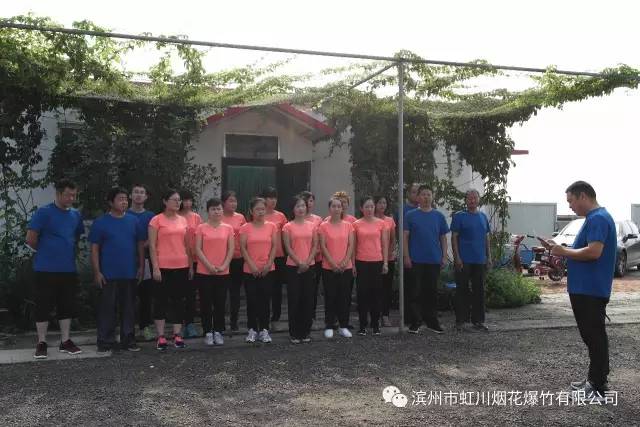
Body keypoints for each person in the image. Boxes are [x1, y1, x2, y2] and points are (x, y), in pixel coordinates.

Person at [538, 181, 616, 402]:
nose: (570, 206)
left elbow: (594, 252)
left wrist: (564, 251)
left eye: (571, 201)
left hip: (590, 289)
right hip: (586, 288)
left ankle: (598, 388)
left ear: (583, 196)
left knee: (594, 336)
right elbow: (586, 250)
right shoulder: (594, 218)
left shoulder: (598, 218)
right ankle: (594, 380)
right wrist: (558, 248)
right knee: (592, 336)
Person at [27, 179, 85, 359]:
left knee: (66, 305)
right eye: (68, 195)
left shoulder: (75, 215)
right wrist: (46, 251)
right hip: (45, 268)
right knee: (43, 305)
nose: (71, 198)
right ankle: (41, 342)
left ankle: (65, 341)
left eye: (74, 195)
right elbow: (31, 238)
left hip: (67, 268)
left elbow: (76, 236)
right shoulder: (44, 212)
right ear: (58, 194)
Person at [89, 187, 145, 352]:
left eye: (126, 199)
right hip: (108, 274)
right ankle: (105, 341)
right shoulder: (101, 222)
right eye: (120, 199)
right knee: (107, 308)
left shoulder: (134, 221)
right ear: (110, 202)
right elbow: (94, 249)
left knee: (129, 308)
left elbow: (140, 245)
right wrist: (97, 272)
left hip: (129, 272)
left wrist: (141, 267)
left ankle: (128, 340)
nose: (124, 202)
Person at [148, 189, 192, 350]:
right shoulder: (156, 220)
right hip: (162, 267)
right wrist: (155, 267)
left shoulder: (183, 220)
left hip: (181, 265)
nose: (177, 203)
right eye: (174, 200)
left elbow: (187, 245)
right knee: (160, 301)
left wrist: (190, 266)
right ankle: (160, 336)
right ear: (165, 201)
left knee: (178, 301)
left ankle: (177, 334)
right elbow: (152, 246)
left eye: (179, 200)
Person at [403, 185, 449, 334]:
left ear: (432, 196)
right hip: (415, 259)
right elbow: (405, 237)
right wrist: (406, 256)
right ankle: (416, 321)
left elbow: (443, 237)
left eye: (429, 194)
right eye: (423, 194)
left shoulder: (439, 216)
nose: (426, 197)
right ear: (418, 197)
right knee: (415, 292)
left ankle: (432, 322)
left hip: (433, 259)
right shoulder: (410, 215)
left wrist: (444, 256)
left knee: (431, 292)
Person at [194, 198, 234, 346]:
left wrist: (224, 265)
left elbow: (231, 249)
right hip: (204, 271)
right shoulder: (201, 228)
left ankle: (218, 331)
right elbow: (198, 249)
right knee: (206, 302)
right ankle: (207, 332)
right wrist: (209, 266)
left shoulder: (228, 228)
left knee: (220, 302)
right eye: (213, 209)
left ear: (222, 210)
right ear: (208, 211)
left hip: (223, 271)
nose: (216, 212)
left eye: (218, 209)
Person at [451, 189, 491, 332]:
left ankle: (478, 321)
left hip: (479, 259)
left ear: (478, 199)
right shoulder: (459, 216)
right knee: (462, 290)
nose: (472, 200)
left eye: (475, 198)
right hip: (464, 260)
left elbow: (486, 238)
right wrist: (457, 257)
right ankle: (461, 321)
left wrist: (489, 256)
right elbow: (454, 237)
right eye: (469, 198)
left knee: (479, 290)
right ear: (466, 200)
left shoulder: (483, 217)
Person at [240, 197, 278, 343]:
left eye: (263, 209)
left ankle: (264, 329)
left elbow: (274, 246)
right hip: (250, 270)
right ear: (251, 211)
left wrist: (269, 263)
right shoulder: (246, 227)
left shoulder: (271, 226)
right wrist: (252, 265)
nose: (261, 212)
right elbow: (243, 248)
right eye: (258, 209)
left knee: (265, 300)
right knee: (252, 300)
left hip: (268, 269)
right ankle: (252, 329)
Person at [282, 196, 318, 343]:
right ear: (293, 209)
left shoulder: (312, 226)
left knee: (307, 299)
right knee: (294, 299)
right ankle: (294, 332)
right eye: (298, 206)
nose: (301, 209)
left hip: (309, 266)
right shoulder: (287, 227)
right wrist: (299, 263)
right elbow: (288, 248)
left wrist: (307, 262)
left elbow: (315, 246)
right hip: (293, 267)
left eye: (303, 206)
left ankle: (306, 331)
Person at [318, 197, 355, 339]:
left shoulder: (348, 225)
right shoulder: (323, 226)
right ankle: (329, 325)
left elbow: (350, 245)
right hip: (329, 267)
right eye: (333, 206)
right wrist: (333, 264)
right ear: (329, 208)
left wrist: (345, 262)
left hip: (346, 267)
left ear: (342, 208)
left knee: (344, 297)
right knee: (330, 296)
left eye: (339, 206)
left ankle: (343, 326)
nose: (337, 209)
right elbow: (323, 246)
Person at [353, 196, 389, 336]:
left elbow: (384, 244)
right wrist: (353, 264)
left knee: (376, 294)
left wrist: (385, 262)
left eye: (372, 206)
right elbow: (353, 246)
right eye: (367, 206)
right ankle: (362, 325)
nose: (369, 209)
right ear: (361, 208)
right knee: (362, 294)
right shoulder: (356, 224)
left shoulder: (381, 223)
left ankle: (375, 324)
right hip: (361, 262)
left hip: (377, 262)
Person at [128, 184, 156, 342]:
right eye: (136, 192)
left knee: (146, 296)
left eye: (142, 193)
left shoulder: (151, 216)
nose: (138, 195)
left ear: (146, 197)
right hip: (126, 261)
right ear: (130, 195)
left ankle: (145, 327)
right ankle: (128, 328)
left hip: (146, 260)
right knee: (128, 296)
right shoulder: (124, 214)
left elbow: (155, 237)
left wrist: (142, 245)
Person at [220, 190, 247, 332]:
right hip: (222, 259)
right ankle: (220, 322)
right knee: (222, 291)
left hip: (238, 258)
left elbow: (246, 235)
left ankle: (234, 321)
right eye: (230, 201)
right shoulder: (219, 217)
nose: (233, 204)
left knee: (235, 291)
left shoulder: (240, 217)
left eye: (235, 201)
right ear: (223, 203)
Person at [178, 190, 203, 339]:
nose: (187, 203)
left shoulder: (196, 217)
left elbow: (200, 237)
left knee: (191, 294)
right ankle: (178, 324)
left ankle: (190, 323)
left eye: (189, 200)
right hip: (178, 259)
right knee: (178, 293)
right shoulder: (175, 217)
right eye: (184, 200)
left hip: (194, 260)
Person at [262, 187, 288, 325]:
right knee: (265, 287)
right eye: (270, 198)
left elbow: (286, 236)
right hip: (264, 257)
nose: (273, 201)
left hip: (279, 256)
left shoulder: (281, 216)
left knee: (277, 287)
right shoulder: (260, 214)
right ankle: (263, 313)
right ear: (264, 199)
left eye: (275, 198)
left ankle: (276, 314)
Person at [300, 191, 323, 321]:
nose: (309, 203)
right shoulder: (297, 218)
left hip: (316, 258)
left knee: (313, 287)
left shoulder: (318, 219)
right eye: (306, 201)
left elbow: (321, 238)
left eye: (311, 201)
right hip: (300, 259)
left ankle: (312, 313)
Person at [374, 195, 397, 327]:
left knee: (386, 288)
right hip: (373, 258)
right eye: (380, 203)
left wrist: (388, 255)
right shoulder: (370, 220)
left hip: (388, 259)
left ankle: (385, 315)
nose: (382, 205)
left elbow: (393, 239)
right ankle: (375, 316)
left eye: (384, 203)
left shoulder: (389, 220)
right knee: (374, 288)